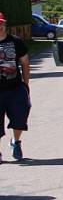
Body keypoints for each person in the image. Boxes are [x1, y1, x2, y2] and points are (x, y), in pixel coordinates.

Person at [0, 12, 30, 162]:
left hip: (15, 88)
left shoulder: (16, 41)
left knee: (20, 117)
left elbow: (25, 62)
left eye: (1, 23)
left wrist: (26, 84)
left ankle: (16, 142)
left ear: (5, 24)